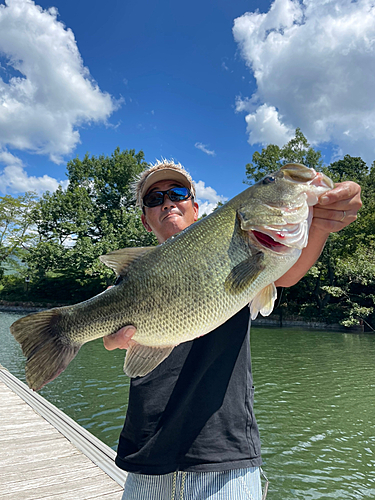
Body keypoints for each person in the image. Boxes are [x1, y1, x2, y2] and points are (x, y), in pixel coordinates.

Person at [103, 160, 362, 500]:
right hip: (147, 448)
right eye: (154, 199)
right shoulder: (132, 277)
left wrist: (322, 225)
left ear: (195, 208)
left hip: (224, 451)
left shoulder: (244, 248)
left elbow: (286, 272)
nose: (167, 202)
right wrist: (110, 339)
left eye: (178, 193)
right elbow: (108, 334)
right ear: (145, 218)